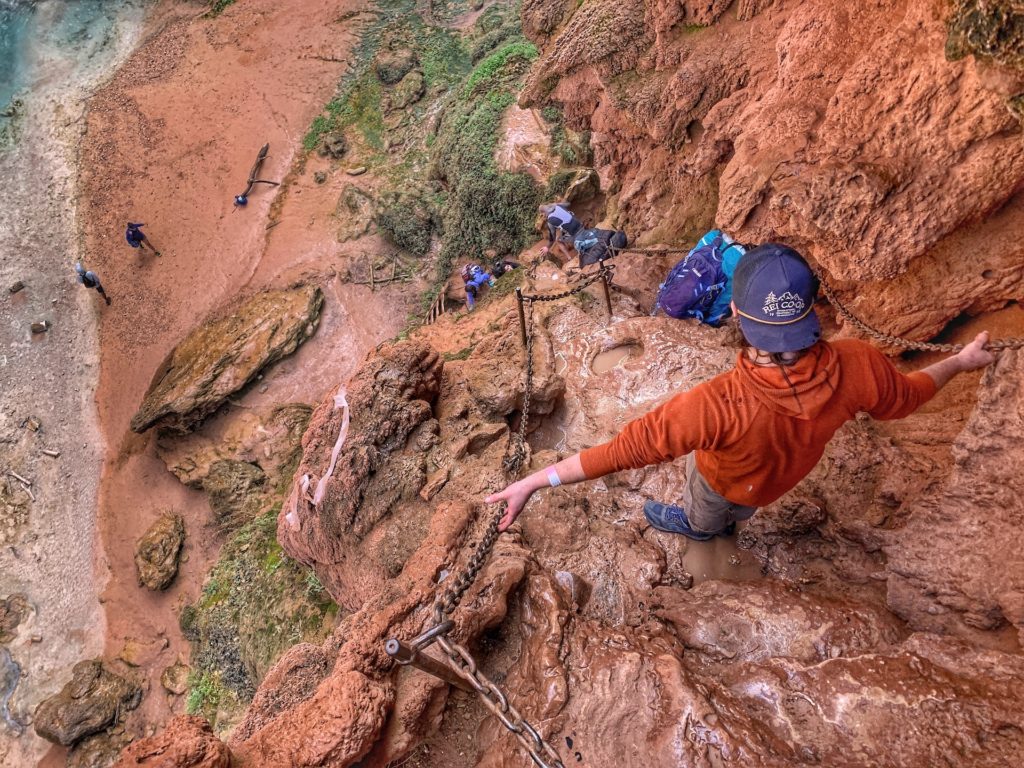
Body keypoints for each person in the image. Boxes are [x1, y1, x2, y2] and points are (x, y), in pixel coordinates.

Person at [486, 244, 995, 540]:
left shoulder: (715, 406)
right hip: (775, 487)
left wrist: (533, 481)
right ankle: (726, 523)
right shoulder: (860, 364)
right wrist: (961, 361)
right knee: (744, 508)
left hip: (719, 486)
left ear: (735, 315)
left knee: (706, 511)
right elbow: (909, 396)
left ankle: (697, 527)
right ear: (813, 311)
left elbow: (622, 452)